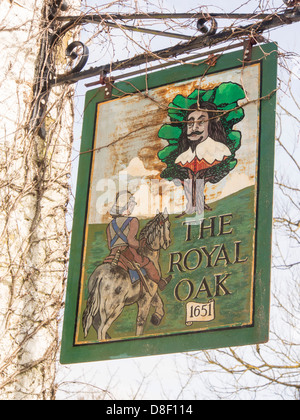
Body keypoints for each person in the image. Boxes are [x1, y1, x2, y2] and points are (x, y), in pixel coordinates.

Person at [105, 191, 172, 291]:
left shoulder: (110, 225)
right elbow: (130, 241)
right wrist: (141, 244)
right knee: (147, 263)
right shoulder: (132, 221)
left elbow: (110, 245)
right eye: (131, 205)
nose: (132, 208)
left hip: (112, 254)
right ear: (126, 206)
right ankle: (160, 282)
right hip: (128, 253)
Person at [175, 102, 231, 214]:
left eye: (201, 122)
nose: (194, 127)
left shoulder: (221, 151)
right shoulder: (182, 158)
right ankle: (192, 207)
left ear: (211, 124)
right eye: (190, 123)